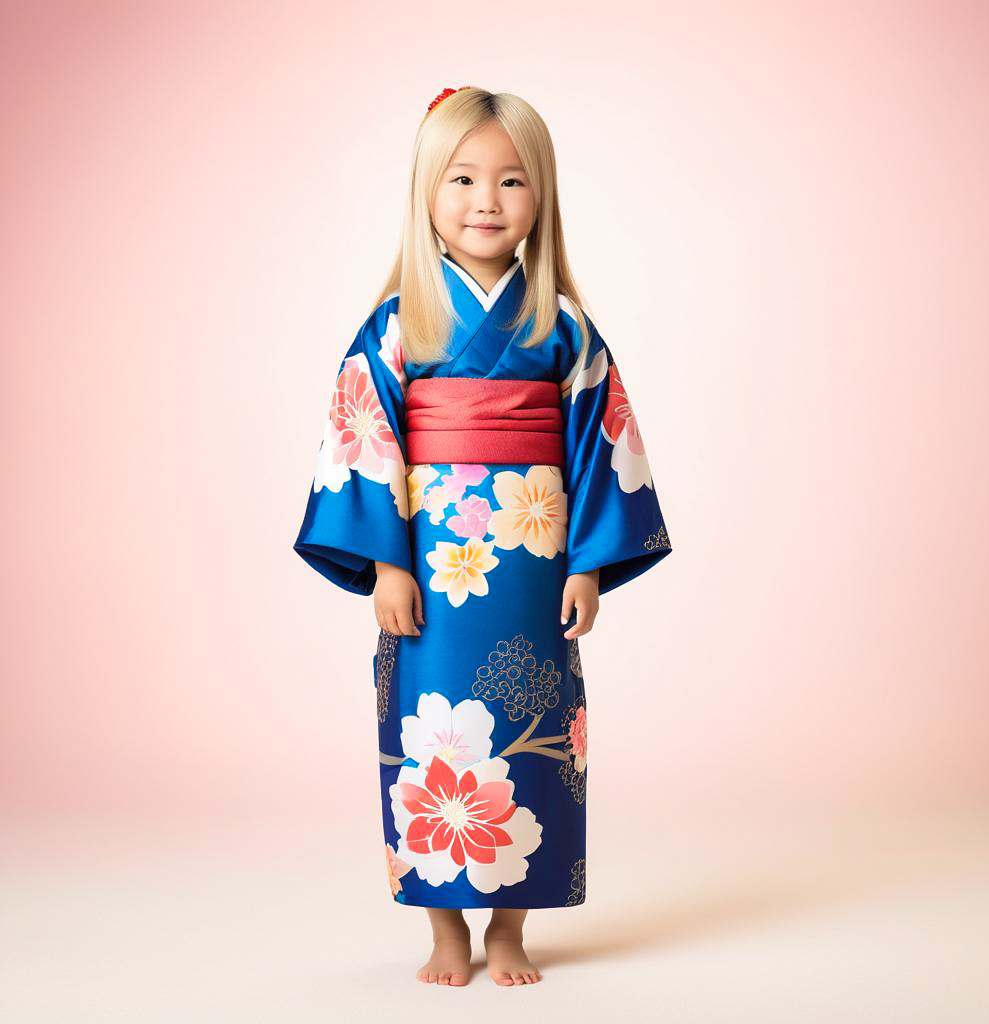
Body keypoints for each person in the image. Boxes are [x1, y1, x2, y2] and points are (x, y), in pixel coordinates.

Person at [293, 86, 673, 987]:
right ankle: (443, 932)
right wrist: (385, 560)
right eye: (461, 179)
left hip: (534, 558)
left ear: (541, 195)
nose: (486, 201)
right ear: (426, 191)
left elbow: (598, 444)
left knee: (533, 733)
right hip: (431, 562)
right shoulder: (398, 324)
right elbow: (366, 438)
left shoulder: (563, 328)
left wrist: (587, 564)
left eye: (511, 180)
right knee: (432, 739)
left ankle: (510, 927)